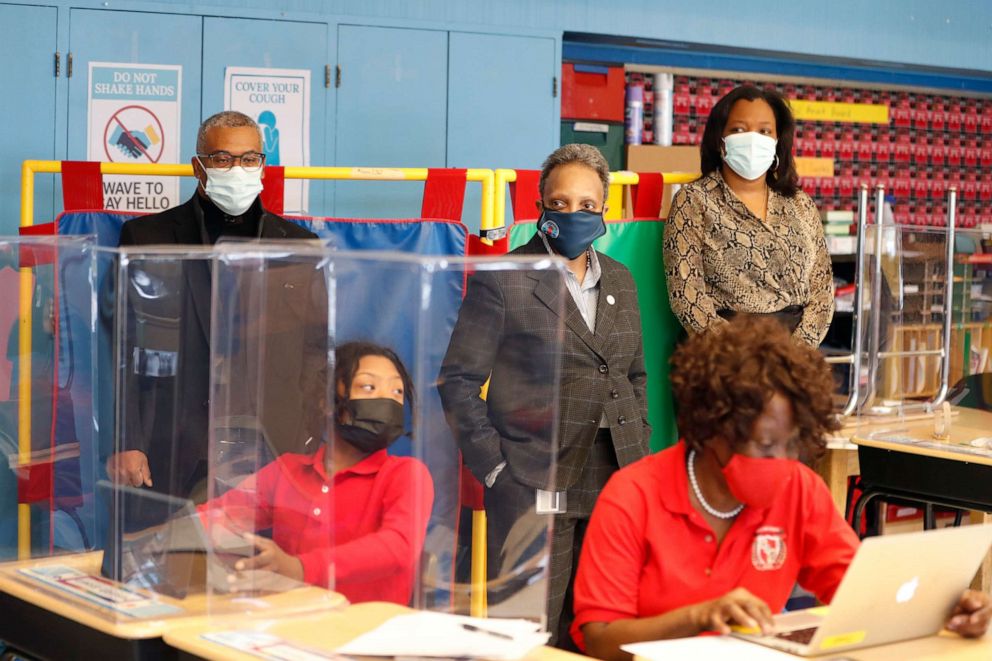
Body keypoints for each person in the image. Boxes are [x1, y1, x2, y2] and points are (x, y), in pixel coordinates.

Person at [571, 316, 992, 660]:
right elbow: (600, 640)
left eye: (792, 443)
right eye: (766, 445)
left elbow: (860, 591)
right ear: (712, 427)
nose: (783, 462)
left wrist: (945, 608)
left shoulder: (799, 490)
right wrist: (698, 616)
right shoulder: (633, 496)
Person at [439, 144, 650, 648]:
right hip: (533, 474)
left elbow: (633, 375)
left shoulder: (620, 277)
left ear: (604, 210)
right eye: (560, 203)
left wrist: (639, 443)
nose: (574, 215)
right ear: (539, 206)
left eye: (587, 205)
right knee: (527, 630)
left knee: (602, 624)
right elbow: (458, 381)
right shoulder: (506, 278)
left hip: (615, 474)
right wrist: (495, 470)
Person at [105, 110, 325, 505]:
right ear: (198, 166)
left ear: (263, 164)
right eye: (223, 159)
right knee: (166, 562)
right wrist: (126, 441)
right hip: (168, 448)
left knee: (261, 564)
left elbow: (315, 352)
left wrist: (311, 442)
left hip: (273, 450)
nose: (237, 169)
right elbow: (120, 346)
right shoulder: (146, 237)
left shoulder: (300, 246)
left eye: (249, 159)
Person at [199, 341, 434, 605]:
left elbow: (397, 547)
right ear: (328, 401)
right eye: (369, 387)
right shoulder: (287, 471)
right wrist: (165, 539)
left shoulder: (406, 475)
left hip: (363, 636)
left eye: (397, 391)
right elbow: (222, 514)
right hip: (287, 630)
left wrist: (299, 568)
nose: (387, 400)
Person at [663, 85, 834, 347]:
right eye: (739, 129)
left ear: (778, 142)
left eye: (765, 131)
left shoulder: (800, 204)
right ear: (720, 140)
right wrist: (745, 360)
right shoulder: (694, 201)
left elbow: (822, 291)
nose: (753, 139)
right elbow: (686, 297)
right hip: (722, 360)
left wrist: (795, 355)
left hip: (795, 360)